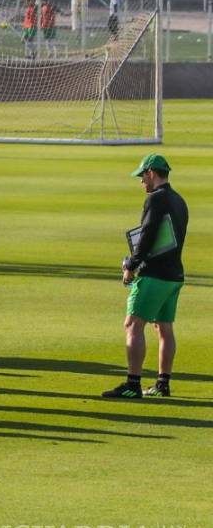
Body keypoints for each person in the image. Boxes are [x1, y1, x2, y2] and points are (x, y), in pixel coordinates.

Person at [103, 154, 188, 400]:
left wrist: (131, 264)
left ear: (152, 173)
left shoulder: (156, 200)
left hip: (155, 275)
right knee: (164, 328)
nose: (141, 182)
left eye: (142, 176)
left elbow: (148, 235)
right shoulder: (179, 200)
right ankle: (163, 384)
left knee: (132, 324)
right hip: (174, 274)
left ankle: (132, 384)